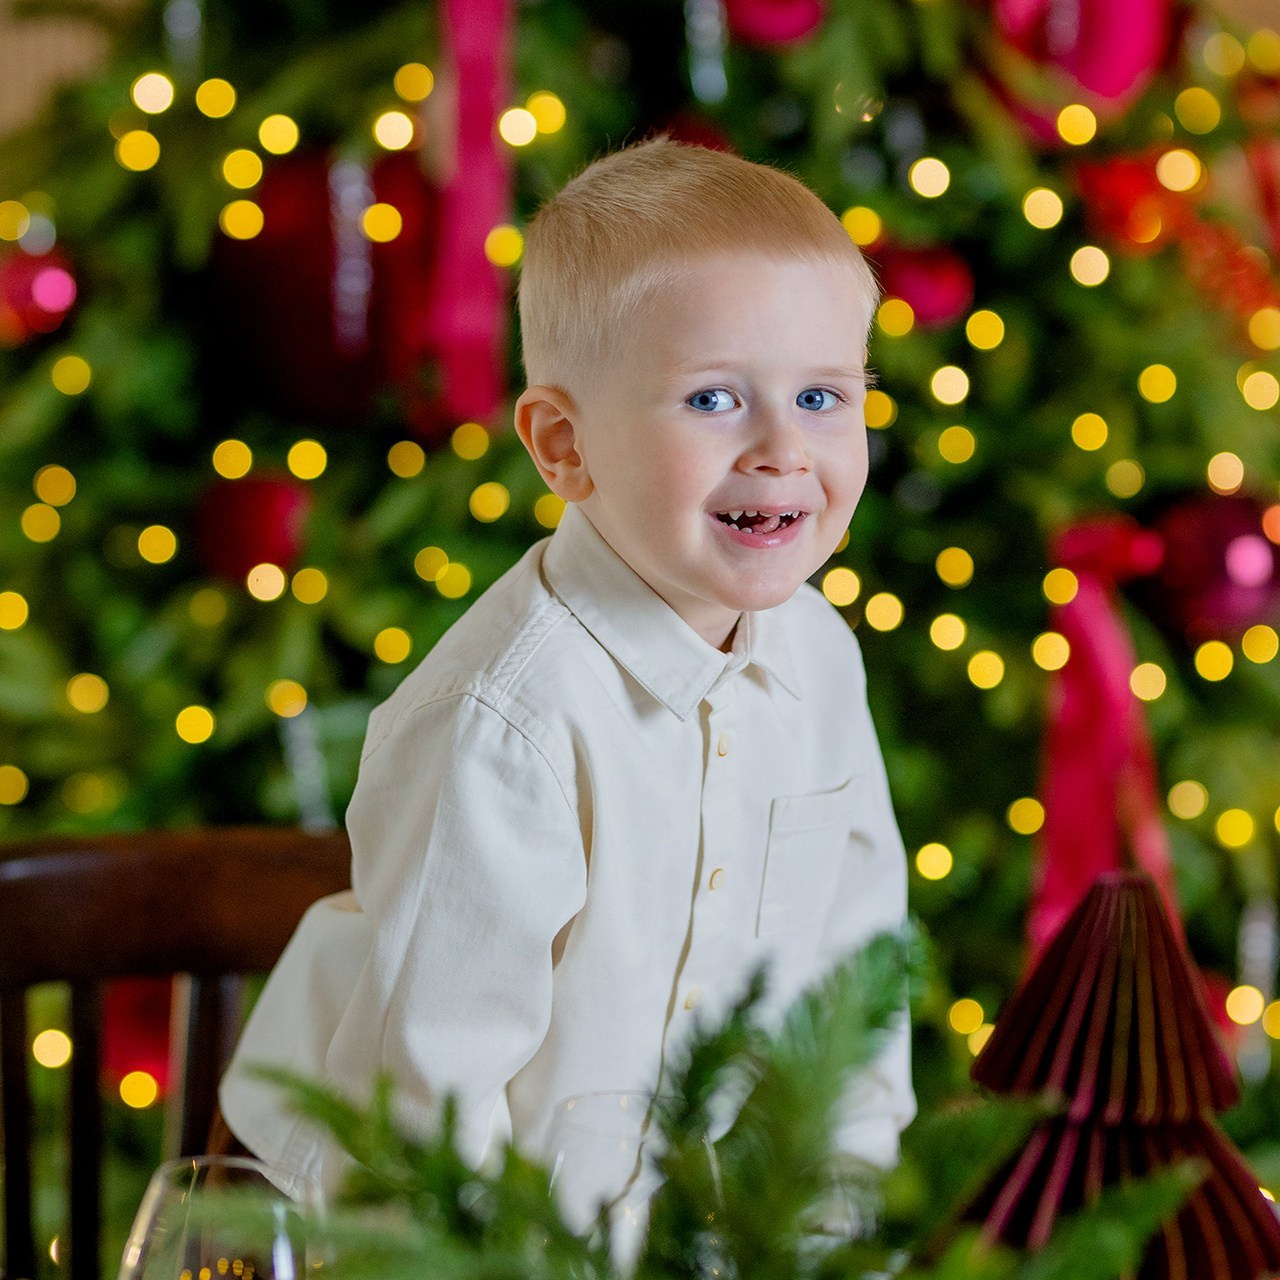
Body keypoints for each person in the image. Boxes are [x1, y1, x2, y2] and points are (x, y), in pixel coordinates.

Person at [219, 137, 915, 1207]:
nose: (783, 449)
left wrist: (833, 1217)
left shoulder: (820, 657)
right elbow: (432, 1108)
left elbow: (855, 975)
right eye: (714, 398)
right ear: (563, 446)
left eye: (822, 397)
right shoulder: (506, 722)